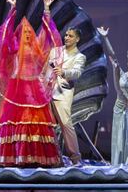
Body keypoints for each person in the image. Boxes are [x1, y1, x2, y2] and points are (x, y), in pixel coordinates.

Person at [0, 0, 63, 167]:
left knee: (35, 122)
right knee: (14, 121)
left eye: (29, 32)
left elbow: (48, 36)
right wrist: (12, 9)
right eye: (24, 32)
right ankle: (14, 157)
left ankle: (34, 157)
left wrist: (47, 10)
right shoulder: (14, 47)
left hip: (33, 88)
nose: (27, 34)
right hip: (17, 88)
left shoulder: (37, 50)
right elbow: (5, 38)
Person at [98, 27, 128, 166]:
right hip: (119, 109)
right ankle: (118, 166)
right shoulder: (122, 74)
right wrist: (105, 37)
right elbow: (113, 56)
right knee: (120, 138)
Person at [49, 28, 86, 165]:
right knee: (48, 126)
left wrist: (63, 72)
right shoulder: (56, 51)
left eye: (70, 36)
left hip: (63, 92)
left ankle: (75, 158)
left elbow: (77, 73)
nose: (67, 37)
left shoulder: (79, 56)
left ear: (77, 39)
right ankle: (53, 158)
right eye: (66, 35)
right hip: (47, 91)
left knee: (65, 124)